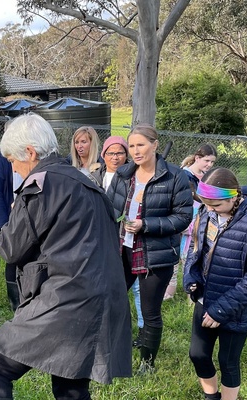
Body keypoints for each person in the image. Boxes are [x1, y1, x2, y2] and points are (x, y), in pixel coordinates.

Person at [0, 114, 131, 400]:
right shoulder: (86, 182)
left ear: (31, 153)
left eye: (13, 161)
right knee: (69, 384)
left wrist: (11, 216)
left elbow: (10, 249)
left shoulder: (40, 184)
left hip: (66, 298)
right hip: (102, 297)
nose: (15, 168)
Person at [184, 167, 247, 400]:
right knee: (198, 354)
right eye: (205, 204)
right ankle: (211, 396)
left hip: (236, 308)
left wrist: (221, 310)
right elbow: (195, 250)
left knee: (228, 361)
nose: (210, 209)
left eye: (216, 205)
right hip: (206, 299)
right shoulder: (207, 213)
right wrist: (191, 276)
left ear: (234, 196)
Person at [107, 124, 193, 374]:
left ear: (155, 145)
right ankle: (112, 350)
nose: (135, 151)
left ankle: (147, 363)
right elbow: (108, 210)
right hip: (122, 252)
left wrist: (146, 224)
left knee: (150, 311)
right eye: (131, 146)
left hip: (156, 255)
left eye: (141, 145)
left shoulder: (176, 177)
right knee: (110, 302)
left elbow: (183, 217)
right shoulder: (123, 175)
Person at [90, 135, 145, 346]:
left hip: (129, 241)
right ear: (103, 155)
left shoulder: (135, 177)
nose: (115, 157)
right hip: (104, 239)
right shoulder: (95, 177)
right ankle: (106, 330)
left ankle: (142, 330)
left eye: (120, 152)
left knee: (137, 287)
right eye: (110, 153)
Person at [165, 143, 218, 300]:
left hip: (199, 225)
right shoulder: (185, 176)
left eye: (212, 162)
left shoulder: (205, 177)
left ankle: (192, 295)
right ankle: (168, 293)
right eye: (207, 161)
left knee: (194, 259)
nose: (209, 165)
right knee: (176, 259)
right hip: (182, 224)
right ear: (197, 158)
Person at [0, 151, 24, 311]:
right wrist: (4, 225)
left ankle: (26, 296)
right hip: (9, 219)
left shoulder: (27, 156)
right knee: (12, 257)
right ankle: (14, 302)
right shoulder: (0, 161)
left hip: (27, 215)